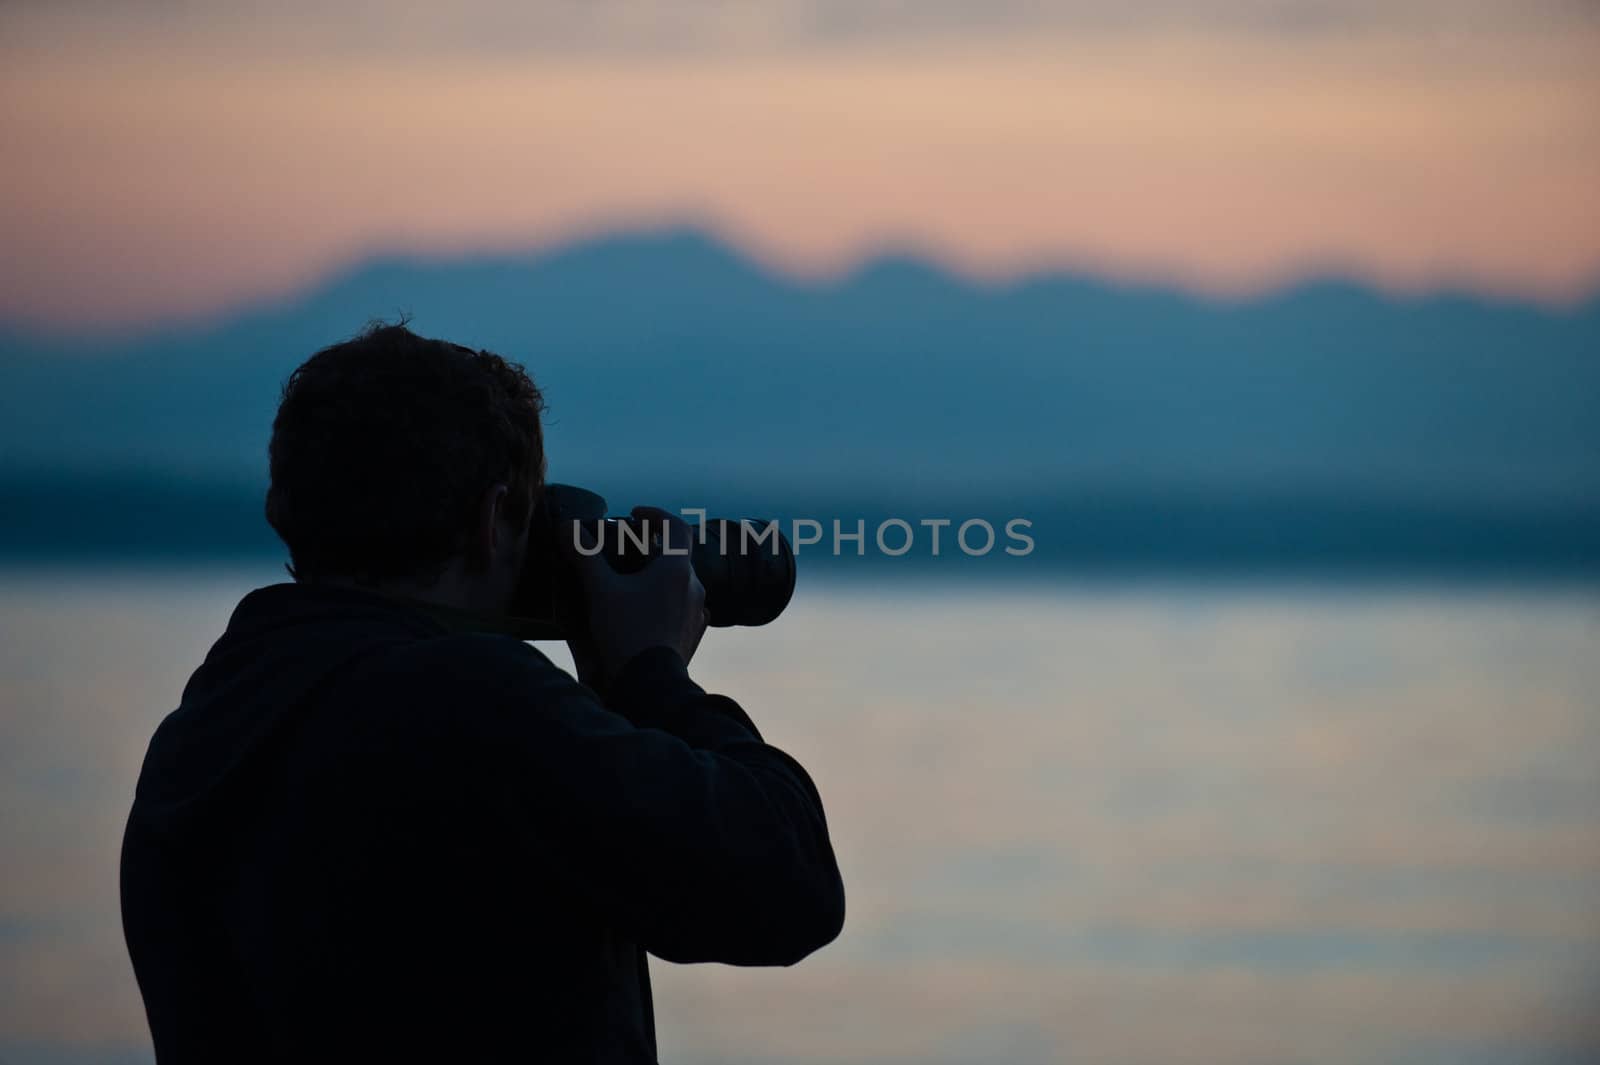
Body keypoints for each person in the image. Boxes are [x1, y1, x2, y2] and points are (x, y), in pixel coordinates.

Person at [119, 323, 846, 1063]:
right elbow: (790, 886)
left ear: (288, 506)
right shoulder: (472, 700)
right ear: (492, 517)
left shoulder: (202, 731)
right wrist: (648, 672)